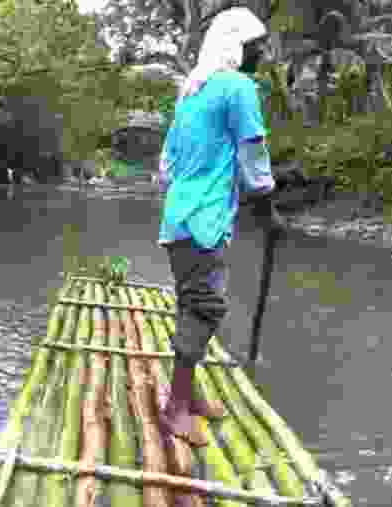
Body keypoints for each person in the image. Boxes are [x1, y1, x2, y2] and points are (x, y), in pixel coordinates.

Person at [155, 7, 284, 448]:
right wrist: (267, 212)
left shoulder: (192, 90)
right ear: (235, 48)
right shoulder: (237, 87)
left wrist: (197, 185)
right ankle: (174, 408)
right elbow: (253, 152)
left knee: (193, 303)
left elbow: (168, 161)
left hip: (180, 217)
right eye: (256, 46)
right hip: (203, 221)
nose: (262, 54)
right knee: (205, 307)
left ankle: (189, 395)